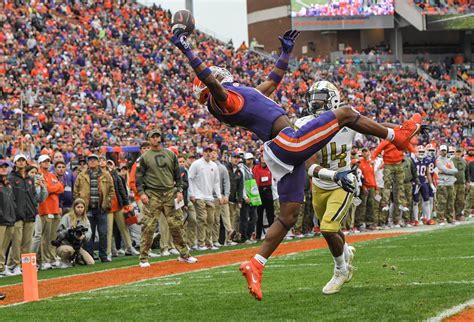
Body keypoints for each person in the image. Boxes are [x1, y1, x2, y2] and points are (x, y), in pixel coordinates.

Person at [171, 28, 423, 300]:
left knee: (288, 215)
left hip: (281, 149)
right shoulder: (222, 99)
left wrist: (285, 53)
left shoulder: (240, 95)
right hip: (287, 141)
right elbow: (213, 83)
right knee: (347, 113)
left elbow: (271, 83)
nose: (218, 74)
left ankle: (256, 264)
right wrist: (188, 50)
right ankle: (396, 135)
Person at [295, 85, 357, 294]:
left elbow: (376, 126)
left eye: (320, 98)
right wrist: (333, 175)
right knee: (331, 227)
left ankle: (341, 269)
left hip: (344, 183)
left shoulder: (347, 119)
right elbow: (309, 166)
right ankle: (345, 249)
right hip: (320, 183)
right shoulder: (304, 124)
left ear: (333, 100)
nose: (315, 103)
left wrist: (402, 130)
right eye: (313, 98)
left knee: (328, 228)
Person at [135, 130, 197, 267]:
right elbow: (138, 178)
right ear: (149, 139)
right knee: (148, 226)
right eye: (153, 136)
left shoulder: (170, 154)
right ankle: (143, 258)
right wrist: (142, 193)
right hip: (153, 194)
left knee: (177, 224)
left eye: (158, 136)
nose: (156, 139)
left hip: (170, 193)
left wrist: (179, 190)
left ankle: (184, 254)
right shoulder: (144, 158)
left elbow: (177, 175)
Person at [74, 154, 115, 262]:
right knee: (89, 234)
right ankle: (90, 256)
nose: (92, 161)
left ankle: (103, 255)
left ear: (98, 162)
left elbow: (111, 190)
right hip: (87, 209)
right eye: (90, 160)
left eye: (94, 160)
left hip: (101, 208)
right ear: (88, 162)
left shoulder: (106, 175)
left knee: (103, 233)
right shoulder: (81, 175)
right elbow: (76, 191)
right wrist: (80, 204)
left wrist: (107, 202)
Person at [7, 155, 44, 275]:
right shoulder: (11, 178)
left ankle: (24, 264)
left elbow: (34, 196)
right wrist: (14, 211)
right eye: (19, 160)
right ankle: (15, 265)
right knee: (17, 242)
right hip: (17, 215)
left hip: (30, 214)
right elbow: (10, 197)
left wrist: (33, 209)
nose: (22, 162)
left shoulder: (30, 179)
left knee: (27, 243)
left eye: (23, 160)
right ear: (15, 163)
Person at [188, 145, 222, 250]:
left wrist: (219, 195)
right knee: (202, 218)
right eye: (206, 151)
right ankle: (201, 243)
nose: (208, 153)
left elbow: (216, 182)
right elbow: (190, 178)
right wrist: (192, 194)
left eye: (210, 152)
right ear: (203, 153)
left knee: (211, 220)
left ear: (212, 153)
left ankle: (209, 242)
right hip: (198, 196)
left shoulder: (214, 165)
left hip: (210, 197)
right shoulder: (196, 164)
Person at [106, 160, 139, 260]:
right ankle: (109, 252)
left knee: (124, 228)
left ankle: (129, 247)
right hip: (107, 207)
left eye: (110, 164)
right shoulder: (101, 176)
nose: (108, 165)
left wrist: (126, 203)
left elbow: (122, 190)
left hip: (118, 205)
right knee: (109, 230)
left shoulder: (116, 176)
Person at [37, 154, 64, 270]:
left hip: (55, 208)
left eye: (48, 161)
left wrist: (51, 188)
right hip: (45, 209)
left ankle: (52, 258)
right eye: (44, 161)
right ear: (40, 163)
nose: (47, 163)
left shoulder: (52, 174)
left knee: (53, 237)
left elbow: (61, 188)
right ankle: (45, 260)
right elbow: (46, 189)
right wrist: (53, 188)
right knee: (45, 237)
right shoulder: (38, 175)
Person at [56, 198, 94, 267]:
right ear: (74, 207)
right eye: (78, 207)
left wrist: (84, 236)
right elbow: (59, 233)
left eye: (82, 207)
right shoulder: (67, 217)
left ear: (84, 208)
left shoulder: (85, 219)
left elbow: (89, 233)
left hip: (77, 247)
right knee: (69, 250)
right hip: (64, 245)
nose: (80, 209)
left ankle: (76, 260)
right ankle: (63, 261)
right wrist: (69, 230)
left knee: (90, 262)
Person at [210, 150, 232, 247]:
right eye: (212, 153)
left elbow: (226, 183)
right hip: (209, 196)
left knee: (223, 218)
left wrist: (226, 195)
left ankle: (228, 239)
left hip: (220, 196)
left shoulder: (222, 168)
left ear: (218, 155)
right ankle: (212, 240)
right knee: (213, 220)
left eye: (215, 153)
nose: (213, 155)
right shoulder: (205, 166)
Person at [252, 155, 274, 241]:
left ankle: (272, 234)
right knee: (259, 216)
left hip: (268, 191)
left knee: (270, 215)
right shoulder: (256, 168)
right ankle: (258, 235)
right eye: (262, 157)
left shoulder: (270, 168)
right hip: (259, 192)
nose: (263, 159)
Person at [0, 160, 16, 277]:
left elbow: (12, 201)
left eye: (5, 167)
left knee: (5, 246)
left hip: (10, 218)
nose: (4, 168)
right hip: (1, 219)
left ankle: (1, 267)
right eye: (1, 167)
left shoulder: (8, 183)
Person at [436, 145, 458, 224]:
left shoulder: (449, 160)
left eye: (445, 150)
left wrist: (448, 171)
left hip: (450, 183)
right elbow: (444, 169)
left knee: (450, 202)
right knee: (442, 202)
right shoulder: (438, 160)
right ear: (439, 151)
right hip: (442, 183)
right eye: (442, 150)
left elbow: (455, 170)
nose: (443, 152)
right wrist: (450, 170)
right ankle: (440, 219)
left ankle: (450, 218)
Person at [239, 153, 258, 244]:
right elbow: (242, 184)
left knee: (254, 217)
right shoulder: (242, 170)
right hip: (246, 197)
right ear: (244, 160)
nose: (250, 161)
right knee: (245, 218)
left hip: (252, 197)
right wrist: (245, 196)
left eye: (251, 159)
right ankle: (244, 238)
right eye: (248, 159)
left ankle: (249, 236)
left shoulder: (250, 170)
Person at [225, 152, 244, 243]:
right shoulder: (225, 168)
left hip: (233, 199)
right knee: (225, 219)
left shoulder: (239, 172)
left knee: (232, 219)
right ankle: (222, 240)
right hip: (225, 198)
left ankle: (229, 239)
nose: (236, 159)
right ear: (230, 158)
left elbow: (240, 187)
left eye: (237, 158)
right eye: (234, 157)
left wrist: (240, 200)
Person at [452, 147, 468, 220]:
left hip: (461, 183)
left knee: (460, 200)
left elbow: (466, 173)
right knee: (452, 199)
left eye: (459, 152)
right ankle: (451, 214)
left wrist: (467, 182)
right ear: (454, 152)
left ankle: (458, 214)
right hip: (453, 183)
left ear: (462, 153)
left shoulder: (464, 161)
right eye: (457, 152)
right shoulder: (451, 160)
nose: (458, 153)